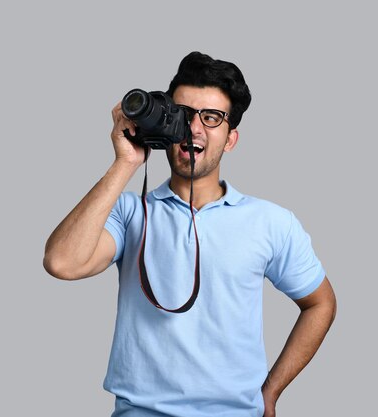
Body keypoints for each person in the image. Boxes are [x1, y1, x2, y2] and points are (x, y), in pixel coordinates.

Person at [43, 51, 337, 417]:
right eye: (184, 115)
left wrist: (271, 391)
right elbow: (61, 262)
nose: (194, 128)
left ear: (230, 139)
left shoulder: (271, 222)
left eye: (211, 118)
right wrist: (126, 163)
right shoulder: (130, 212)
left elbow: (320, 303)